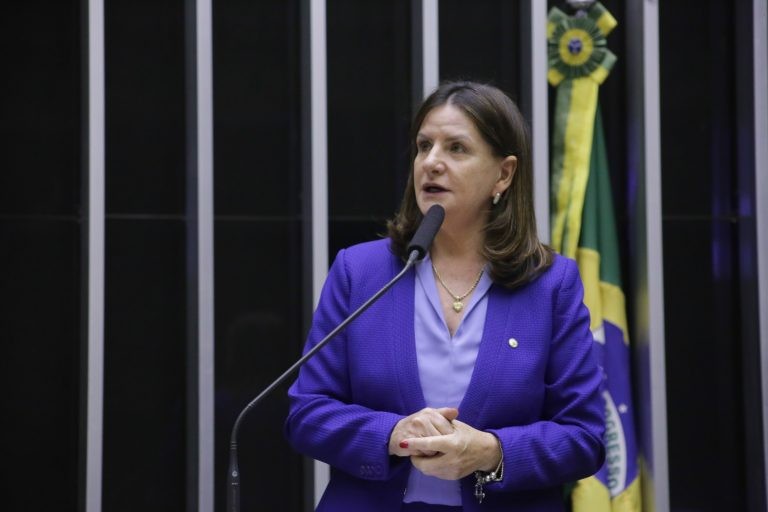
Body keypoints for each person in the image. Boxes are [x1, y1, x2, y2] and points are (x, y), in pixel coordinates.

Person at [285, 80, 605, 511]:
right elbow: (307, 413)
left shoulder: (551, 284)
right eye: (423, 146)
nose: (431, 163)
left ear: (504, 173)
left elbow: (583, 437)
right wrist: (392, 433)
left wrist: (492, 451)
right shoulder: (359, 272)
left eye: (456, 148)